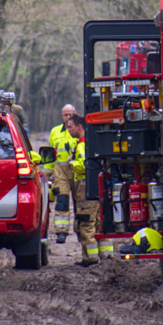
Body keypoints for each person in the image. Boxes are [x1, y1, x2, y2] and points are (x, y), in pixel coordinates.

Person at [66, 114, 100, 266]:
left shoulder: (82, 145)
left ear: (79, 127)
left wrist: (72, 164)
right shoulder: (91, 143)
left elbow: (85, 164)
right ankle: (105, 256)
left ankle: (90, 258)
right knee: (98, 223)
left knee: (86, 223)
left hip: (84, 188)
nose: (68, 130)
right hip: (95, 187)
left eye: (70, 127)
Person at [49, 104, 76, 244]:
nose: (67, 117)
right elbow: (50, 154)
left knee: (80, 203)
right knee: (62, 201)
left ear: (75, 114)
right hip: (61, 172)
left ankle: (80, 230)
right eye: (65, 115)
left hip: (77, 171)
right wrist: (48, 173)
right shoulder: (55, 132)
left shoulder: (79, 130)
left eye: (70, 114)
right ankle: (61, 232)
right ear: (62, 115)